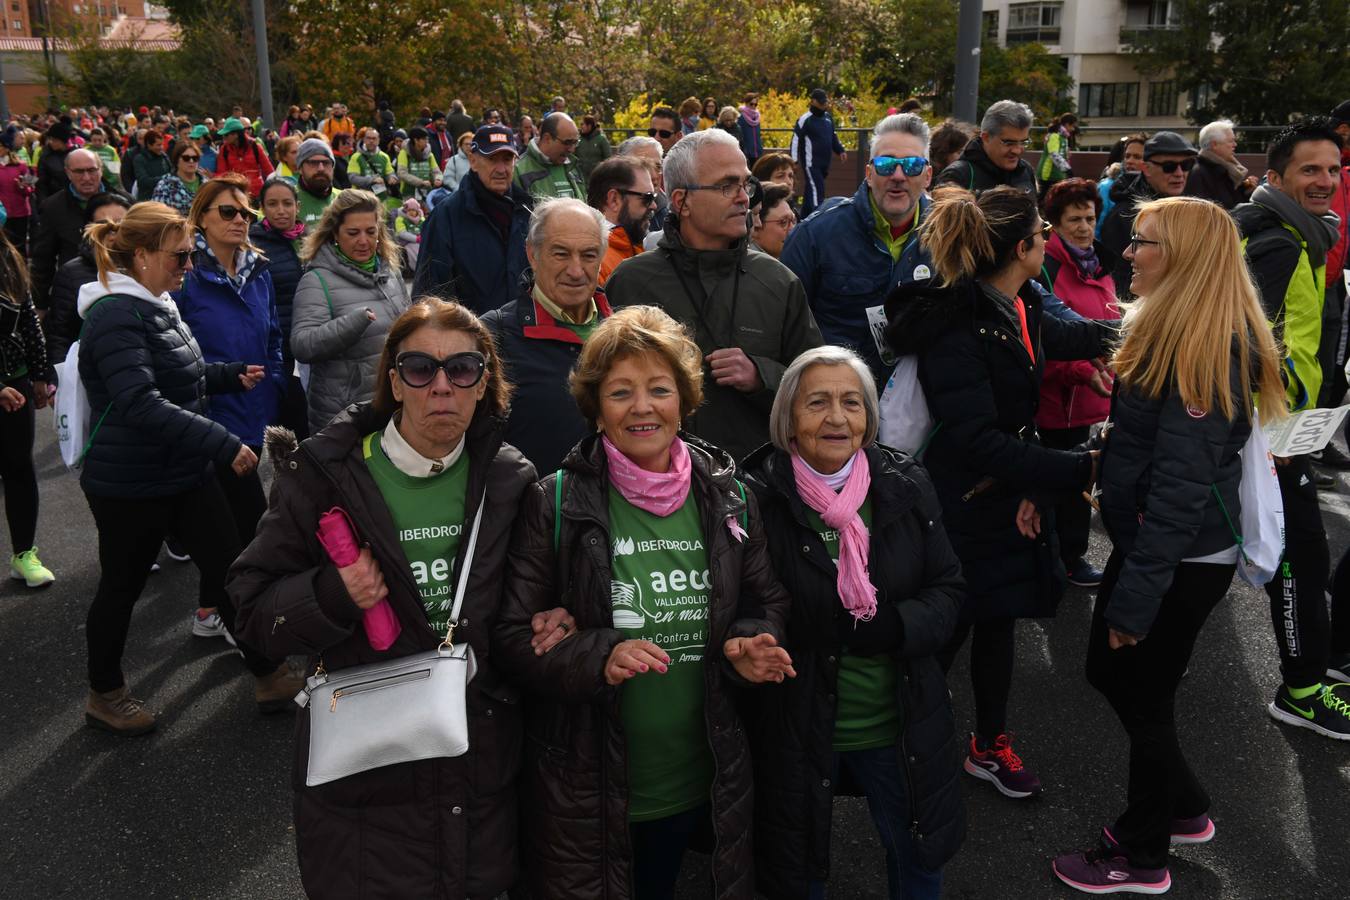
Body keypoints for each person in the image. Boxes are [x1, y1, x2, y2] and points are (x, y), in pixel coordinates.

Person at [230, 298, 563, 899]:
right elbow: (252, 613)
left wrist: (551, 619)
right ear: (394, 381)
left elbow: (521, 614)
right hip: (367, 777)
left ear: (485, 384)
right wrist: (333, 594)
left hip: (478, 764)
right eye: (419, 369)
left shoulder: (510, 479)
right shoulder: (324, 475)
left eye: (463, 369)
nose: (442, 386)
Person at [494, 304, 794, 899]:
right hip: (588, 782)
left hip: (701, 775)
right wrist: (597, 654)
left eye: (659, 389)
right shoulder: (553, 501)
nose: (642, 407)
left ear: (683, 400)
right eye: (620, 392)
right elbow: (510, 640)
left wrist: (753, 640)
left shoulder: (730, 494)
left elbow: (768, 599)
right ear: (596, 409)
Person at [1051, 197, 1286, 895]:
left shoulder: (1202, 346)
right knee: (1121, 678)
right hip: (1166, 546)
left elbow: (1182, 489)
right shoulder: (1178, 330)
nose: (1128, 251)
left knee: (1140, 689)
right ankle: (1180, 804)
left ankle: (1141, 854)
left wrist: (1134, 602)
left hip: (1176, 555)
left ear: (1180, 258)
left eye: (1144, 242)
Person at [883, 186, 1114, 799]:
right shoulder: (958, 326)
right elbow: (978, 440)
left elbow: (1074, 338)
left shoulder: (1019, 306)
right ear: (1023, 248)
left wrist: (1140, 334)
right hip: (958, 499)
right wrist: (1075, 469)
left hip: (1003, 490)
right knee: (949, 627)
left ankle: (988, 745)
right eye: (1043, 233)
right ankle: (904, 740)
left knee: (999, 619)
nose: (1050, 240)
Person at [740, 345, 965, 900]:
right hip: (795, 724)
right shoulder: (754, 496)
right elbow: (737, 604)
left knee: (915, 857)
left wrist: (892, 628)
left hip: (898, 722)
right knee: (797, 870)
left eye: (851, 402)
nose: (837, 418)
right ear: (788, 417)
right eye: (817, 402)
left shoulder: (905, 485)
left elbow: (950, 591)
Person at [76, 201, 301, 734]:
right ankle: (104, 692)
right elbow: (139, 402)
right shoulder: (113, 313)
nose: (188, 264)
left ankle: (267, 673)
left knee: (228, 571)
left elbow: (179, 377)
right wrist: (222, 443)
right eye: (179, 255)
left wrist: (224, 376)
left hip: (181, 469)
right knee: (122, 587)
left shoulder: (155, 304)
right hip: (130, 481)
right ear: (141, 255)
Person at [604, 129, 824, 461]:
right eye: (726, 186)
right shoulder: (632, 281)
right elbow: (605, 387)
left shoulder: (778, 282)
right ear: (681, 201)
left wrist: (760, 375)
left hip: (757, 486)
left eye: (746, 184)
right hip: (652, 481)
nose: (743, 197)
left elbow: (819, 388)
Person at [1234, 118, 1350, 740]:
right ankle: (1301, 692)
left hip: (1289, 428)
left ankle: (1309, 675)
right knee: (1298, 559)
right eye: (1310, 169)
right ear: (1275, 177)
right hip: (1270, 436)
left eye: (1333, 170)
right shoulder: (1277, 242)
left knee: (1298, 554)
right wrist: (1270, 440)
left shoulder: (1301, 235)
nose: (1325, 182)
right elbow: (1249, 344)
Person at [176, 174, 285, 637]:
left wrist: (274, 383)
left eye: (246, 212)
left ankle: (209, 610)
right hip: (208, 417)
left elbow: (274, 336)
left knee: (233, 523)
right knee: (242, 523)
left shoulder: (259, 269)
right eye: (228, 211)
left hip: (254, 412)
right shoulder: (184, 274)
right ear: (201, 218)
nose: (241, 219)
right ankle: (239, 620)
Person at [782, 113, 933, 384]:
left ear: (927, 176)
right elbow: (781, 325)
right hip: (839, 398)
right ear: (869, 173)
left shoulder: (950, 236)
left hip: (922, 403)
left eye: (912, 165)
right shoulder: (817, 234)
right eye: (886, 164)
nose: (898, 175)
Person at [482, 198, 612, 473]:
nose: (576, 271)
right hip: (537, 510)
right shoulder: (495, 335)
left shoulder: (625, 331)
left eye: (588, 255)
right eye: (561, 254)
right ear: (532, 254)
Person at [1035, 178, 1118, 589]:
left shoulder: (1099, 263)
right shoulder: (1045, 270)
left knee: (1079, 482)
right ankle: (1064, 560)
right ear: (1054, 223)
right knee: (1063, 485)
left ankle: (1066, 557)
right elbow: (1048, 341)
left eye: (1090, 217)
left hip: (1091, 397)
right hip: (1056, 401)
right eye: (1074, 219)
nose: (1085, 227)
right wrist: (1082, 371)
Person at [291, 189, 410, 434]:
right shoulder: (317, 280)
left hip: (393, 407)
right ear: (335, 234)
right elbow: (303, 345)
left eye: (371, 231)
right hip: (345, 416)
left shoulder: (390, 273)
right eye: (353, 233)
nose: (364, 241)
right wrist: (354, 323)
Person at [412, 124, 531, 314]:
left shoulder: (528, 211)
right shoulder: (446, 216)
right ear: (473, 161)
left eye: (507, 159)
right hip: (472, 337)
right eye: (492, 159)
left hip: (522, 336)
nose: (501, 169)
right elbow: (429, 294)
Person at [0, 230, 56, 588]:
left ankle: (24, 555)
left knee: (18, 468)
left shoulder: (8, 258)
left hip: (15, 381)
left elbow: (29, 320)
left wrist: (39, 374)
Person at [1100, 131, 1197, 297]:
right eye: (1169, 167)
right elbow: (1121, 281)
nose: (1179, 173)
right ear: (1146, 169)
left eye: (1187, 165)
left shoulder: (1189, 207)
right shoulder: (1125, 215)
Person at [249, 175, 308, 438]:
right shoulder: (254, 244)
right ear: (262, 207)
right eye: (272, 204)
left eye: (287, 203)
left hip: (307, 339)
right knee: (288, 412)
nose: (281, 210)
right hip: (278, 345)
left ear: (297, 205)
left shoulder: (307, 240)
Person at [44, 193, 131, 367]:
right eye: (104, 225)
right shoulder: (71, 273)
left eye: (121, 224)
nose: (113, 232)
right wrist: (58, 379)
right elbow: (59, 334)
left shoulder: (145, 268)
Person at [30, 149, 111, 311]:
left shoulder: (121, 203)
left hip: (117, 292)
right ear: (68, 173)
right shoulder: (53, 207)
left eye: (92, 170)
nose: (86, 178)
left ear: (100, 169)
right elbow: (43, 260)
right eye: (79, 172)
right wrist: (40, 305)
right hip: (73, 297)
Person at [934, 100, 1038, 195]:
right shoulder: (958, 176)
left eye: (1024, 142)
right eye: (1009, 143)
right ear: (986, 137)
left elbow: (1034, 214)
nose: (1017, 150)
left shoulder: (1025, 170)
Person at [588, 155, 656, 283]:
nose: (654, 205)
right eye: (647, 198)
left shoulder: (629, 245)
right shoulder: (595, 261)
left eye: (654, 197)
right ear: (614, 199)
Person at [792, 89, 847, 217]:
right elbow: (795, 139)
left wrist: (840, 150)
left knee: (811, 190)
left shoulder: (828, 118)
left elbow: (833, 136)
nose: (824, 104)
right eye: (821, 102)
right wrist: (794, 160)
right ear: (813, 101)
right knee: (818, 190)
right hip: (811, 163)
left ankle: (804, 217)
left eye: (825, 101)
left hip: (824, 163)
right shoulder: (805, 119)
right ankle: (818, 217)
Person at [1185, 119, 1257, 210]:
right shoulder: (1199, 173)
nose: (1235, 145)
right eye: (1231, 141)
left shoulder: (1222, 169)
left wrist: (1244, 191)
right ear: (1214, 144)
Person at [513, 113, 585, 201]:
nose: (572, 150)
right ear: (547, 138)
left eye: (575, 143)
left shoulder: (572, 167)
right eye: (567, 142)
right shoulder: (519, 171)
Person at [1097, 133, 1146, 235]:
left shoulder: (1156, 187)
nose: (1130, 161)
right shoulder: (1106, 187)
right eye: (1127, 156)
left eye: (1137, 157)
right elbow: (1097, 228)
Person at [215, 117, 274, 198]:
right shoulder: (224, 150)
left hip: (257, 194)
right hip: (236, 194)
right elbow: (222, 173)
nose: (224, 137)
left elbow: (269, 171)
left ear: (236, 135)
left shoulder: (255, 146)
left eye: (226, 134)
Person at [0, 126, 35, 253]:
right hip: (2, 215)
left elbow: (31, 188)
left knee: (19, 249)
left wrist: (23, 187)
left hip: (20, 213)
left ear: (5, 147)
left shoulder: (22, 166)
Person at [150, 139, 207, 215]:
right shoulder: (165, 185)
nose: (191, 161)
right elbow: (158, 215)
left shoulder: (207, 184)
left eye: (195, 158)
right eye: (186, 158)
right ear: (177, 161)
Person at [294, 138, 342, 228]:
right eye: (313, 163)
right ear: (300, 168)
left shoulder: (343, 199)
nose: (321, 168)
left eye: (326, 162)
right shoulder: (288, 200)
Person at [348, 127, 399, 205]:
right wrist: (372, 180)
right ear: (364, 140)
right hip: (360, 199)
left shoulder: (384, 157)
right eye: (368, 138)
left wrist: (392, 178)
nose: (371, 141)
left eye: (374, 138)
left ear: (378, 140)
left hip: (380, 199)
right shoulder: (356, 157)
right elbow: (353, 178)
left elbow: (390, 173)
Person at [748, 181, 795, 258]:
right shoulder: (748, 266)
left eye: (793, 221)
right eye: (783, 222)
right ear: (756, 226)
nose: (792, 229)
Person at [1037, 113, 1078, 200]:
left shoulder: (1064, 137)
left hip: (1057, 174)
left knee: (1054, 199)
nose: (1073, 129)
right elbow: (1054, 154)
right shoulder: (1055, 136)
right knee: (1043, 199)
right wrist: (1067, 169)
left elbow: (1061, 154)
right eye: (1072, 126)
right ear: (1067, 124)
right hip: (1048, 173)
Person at [396, 126, 442, 202]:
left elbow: (437, 172)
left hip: (426, 194)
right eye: (424, 139)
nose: (427, 141)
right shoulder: (404, 153)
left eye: (427, 139)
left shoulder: (429, 155)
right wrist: (420, 182)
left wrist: (438, 179)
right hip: (408, 194)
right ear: (416, 140)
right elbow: (402, 173)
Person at [752, 151, 800, 216]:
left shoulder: (793, 211)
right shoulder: (756, 215)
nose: (788, 182)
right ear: (764, 180)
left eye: (790, 176)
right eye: (780, 176)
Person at [131, 129, 172, 202]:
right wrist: (164, 179)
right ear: (149, 145)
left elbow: (172, 172)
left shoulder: (164, 156)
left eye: (162, 144)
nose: (161, 147)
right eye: (158, 145)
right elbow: (143, 181)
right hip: (147, 199)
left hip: (164, 198)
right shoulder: (139, 159)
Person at [574, 113, 612, 182]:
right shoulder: (578, 140)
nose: (581, 127)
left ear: (589, 126)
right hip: (581, 177)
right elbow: (573, 156)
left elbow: (608, 158)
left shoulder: (601, 139)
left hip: (597, 177)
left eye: (583, 124)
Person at [86, 125, 123, 191]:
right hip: (93, 184)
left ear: (104, 139)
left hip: (111, 184)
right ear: (90, 139)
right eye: (94, 140)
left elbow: (116, 169)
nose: (97, 142)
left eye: (100, 140)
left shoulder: (111, 150)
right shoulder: (86, 150)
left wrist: (118, 184)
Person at [737, 93, 763, 167]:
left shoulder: (757, 117)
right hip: (746, 152)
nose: (753, 106)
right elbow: (739, 135)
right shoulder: (741, 118)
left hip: (757, 151)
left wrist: (760, 147)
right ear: (746, 103)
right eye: (751, 104)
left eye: (755, 104)